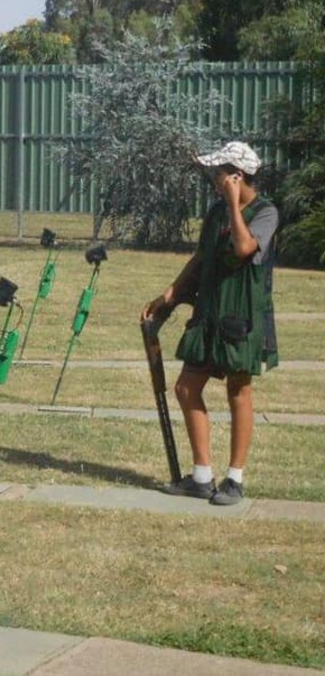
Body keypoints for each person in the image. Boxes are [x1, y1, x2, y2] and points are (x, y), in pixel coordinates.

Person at [142, 141, 279, 506]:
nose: (214, 179)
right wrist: (168, 296)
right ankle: (202, 476)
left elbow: (244, 249)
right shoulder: (216, 212)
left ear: (237, 175)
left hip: (243, 315)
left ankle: (235, 479)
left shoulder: (266, 213)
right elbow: (202, 257)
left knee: (238, 391)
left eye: (219, 173)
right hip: (210, 313)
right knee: (187, 387)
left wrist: (234, 204)